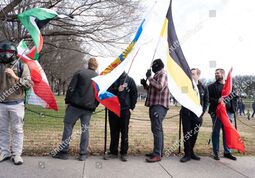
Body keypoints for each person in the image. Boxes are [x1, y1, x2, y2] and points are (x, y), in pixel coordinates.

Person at [52, 58, 99, 161]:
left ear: (88, 64)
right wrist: (95, 105)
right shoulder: (99, 77)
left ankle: (64, 152)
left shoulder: (80, 73)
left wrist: (67, 101)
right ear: (96, 66)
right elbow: (99, 94)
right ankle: (83, 153)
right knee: (85, 129)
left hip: (75, 106)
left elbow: (71, 88)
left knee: (68, 127)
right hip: (88, 108)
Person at [0, 40, 32, 165]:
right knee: (3, 129)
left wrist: (15, 76)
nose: (5, 54)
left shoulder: (22, 66)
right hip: (1, 103)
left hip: (17, 103)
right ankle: (4, 152)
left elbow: (29, 84)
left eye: (8, 51)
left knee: (18, 129)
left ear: (14, 53)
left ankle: (16, 154)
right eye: (2, 51)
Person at [141, 58, 170, 163]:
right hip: (155, 105)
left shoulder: (163, 73)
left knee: (156, 129)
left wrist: (149, 77)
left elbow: (159, 87)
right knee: (158, 129)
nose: (151, 67)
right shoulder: (157, 75)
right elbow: (152, 90)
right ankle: (158, 151)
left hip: (159, 105)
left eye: (153, 65)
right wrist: (145, 84)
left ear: (157, 65)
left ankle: (157, 154)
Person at [104, 72, 138, 162]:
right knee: (114, 131)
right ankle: (113, 152)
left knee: (124, 132)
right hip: (113, 109)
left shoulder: (130, 80)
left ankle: (124, 153)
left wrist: (131, 107)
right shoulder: (112, 79)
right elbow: (106, 92)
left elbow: (134, 94)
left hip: (125, 110)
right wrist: (116, 89)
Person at [180, 68, 209, 163]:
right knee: (187, 135)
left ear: (198, 75)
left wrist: (202, 112)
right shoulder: (186, 85)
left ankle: (191, 152)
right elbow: (181, 97)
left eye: (193, 74)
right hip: (186, 114)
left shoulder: (204, 87)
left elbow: (206, 101)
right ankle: (187, 154)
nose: (191, 75)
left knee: (194, 134)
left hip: (197, 116)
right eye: (190, 74)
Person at [208, 68, 237, 161]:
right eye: (215, 73)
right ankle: (215, 152)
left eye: (218, 73)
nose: (216, 74)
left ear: (223, 74)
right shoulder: (211, 86)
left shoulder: (231, 86)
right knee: (216, 132)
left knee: (227, 132)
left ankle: (227, 152)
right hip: (216, 112)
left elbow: (235, 99)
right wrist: (217, 100)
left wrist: (234, 109)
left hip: (228, 112)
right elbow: (208, 99)